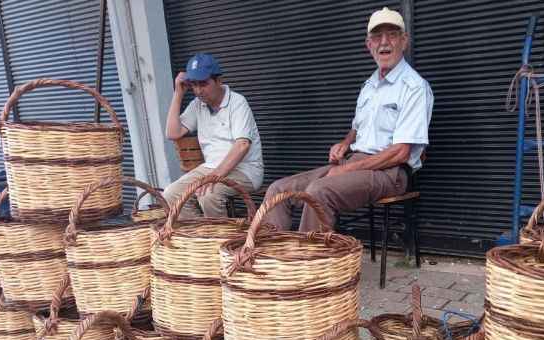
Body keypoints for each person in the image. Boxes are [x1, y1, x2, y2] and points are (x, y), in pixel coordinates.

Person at [263, 7, 433, 231]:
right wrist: (344, 143)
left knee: (318, 192)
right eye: (377, 36)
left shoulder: (414, 87)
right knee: (279, 190)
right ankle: (270, 259)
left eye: (392, 34)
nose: (384, 42)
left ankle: (310, 262)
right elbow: (357, 128)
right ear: (369, 45)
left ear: (404, 41)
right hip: (355, 163)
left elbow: (400, 152)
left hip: (390, 173)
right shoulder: (369, 86)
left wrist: (347, 170)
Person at [164, 52, 263, 218]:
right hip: (210, 168)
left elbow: (242, 145)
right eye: (193, 85)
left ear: (218, 80)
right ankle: (201, 236)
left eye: (203, 84)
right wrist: (178, 93)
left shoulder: (237, 102)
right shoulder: (198, 105)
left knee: (208, 195)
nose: (198, 91)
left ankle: (222, 241)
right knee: (171, 194)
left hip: (245, 171)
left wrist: (213, 177)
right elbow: (173, 133)